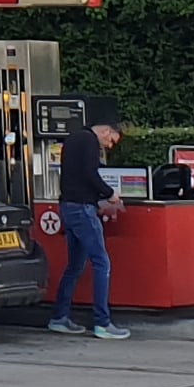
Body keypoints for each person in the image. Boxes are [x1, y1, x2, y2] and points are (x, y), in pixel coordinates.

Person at [48, 111, 126, 338]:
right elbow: (90, 174)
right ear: (105, 130)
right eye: (111, 140)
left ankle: (59, 317)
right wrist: (110, 193)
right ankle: (102, 322)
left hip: (68, 207)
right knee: (102, 262)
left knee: (75, 266)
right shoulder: (90, 142)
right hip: (82, 209)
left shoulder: (74, 138)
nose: (110, 146)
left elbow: (78, 175)